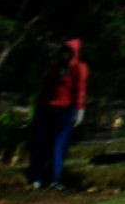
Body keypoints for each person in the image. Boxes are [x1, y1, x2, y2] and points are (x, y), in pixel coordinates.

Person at [26, 38, 87, 190]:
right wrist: (38, 109)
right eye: (63, 52)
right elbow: (45, 89)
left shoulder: (79, 68)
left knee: (57, 146)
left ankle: (53, 179)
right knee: (40, 144)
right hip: (47, 110)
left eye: (68, 52)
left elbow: (80, 90)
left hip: (64, 111)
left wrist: (79, 110)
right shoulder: (54, 68)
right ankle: (36, 178)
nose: (64, 55)